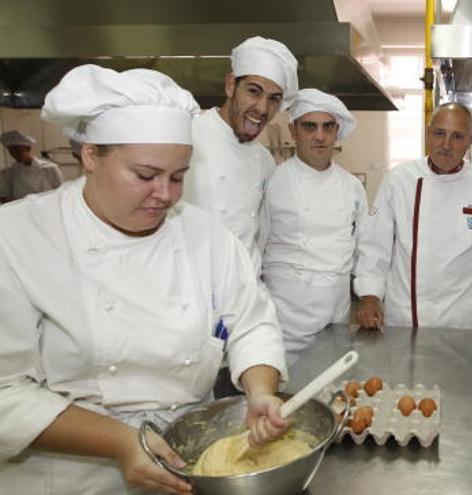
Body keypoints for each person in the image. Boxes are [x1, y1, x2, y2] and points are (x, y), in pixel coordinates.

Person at [0, 65, 290, 495]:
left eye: (178, 177)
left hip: (189, 463)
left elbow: (252, 322)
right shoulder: (18, 236)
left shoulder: (205, 236)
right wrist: (121, 442)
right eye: (145, 175)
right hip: (69, 475)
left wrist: (261, 391)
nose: (166, 195)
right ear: (90, 156)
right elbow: (5, 391)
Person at [354, 102, 472, 336]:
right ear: (428, 133)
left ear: (470, 141)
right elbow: (375, 246)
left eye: (457, 136)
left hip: (460, 322)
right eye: (439, 133)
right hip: (405, 318)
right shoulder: (399, 180)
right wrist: (370, 295)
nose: (445, 145)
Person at [263, 89, 367, 360]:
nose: (319, 136)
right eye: (310, 126)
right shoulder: (272, 182)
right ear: (293, 130)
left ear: (337, 131)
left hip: (337, 316)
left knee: (332, 393)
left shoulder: (352, 187)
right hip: (286, 322)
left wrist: (369, 294)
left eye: (327, 127)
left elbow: (365, 249)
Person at [183, 36, 299, 273]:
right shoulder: (187, 136)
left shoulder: (265, 160)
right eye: (254, 91)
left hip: (244, 291)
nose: (262, 108)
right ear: (230, 85)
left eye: (274, 99)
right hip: (190, 288)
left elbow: (260, 233)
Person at [0, 130, 63, 202]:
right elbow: (3, 197)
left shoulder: (50, 168)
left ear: (28, 148)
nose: (14, 153)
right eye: (10, 150)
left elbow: (60, 194)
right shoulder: (8, 173)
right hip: (21, 211)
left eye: (17, 150)